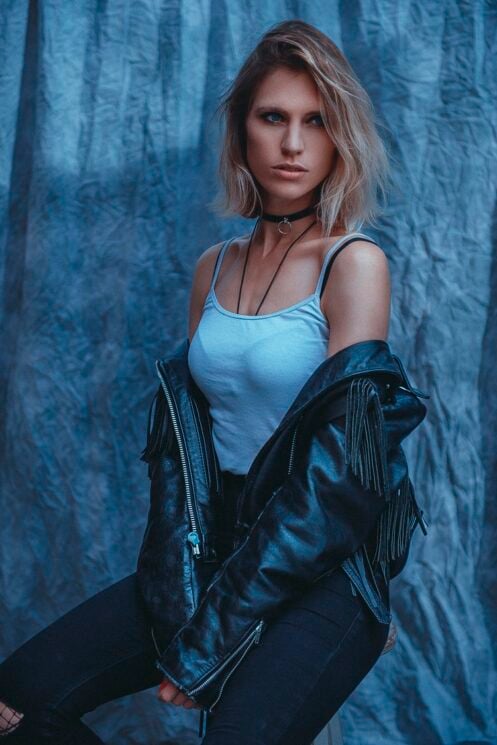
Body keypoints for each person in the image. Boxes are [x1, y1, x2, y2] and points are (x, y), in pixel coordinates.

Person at [0, 18, 429, 744]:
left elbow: (338, 484)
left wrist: (214, 632)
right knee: (13, 705)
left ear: (340, 139)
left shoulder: (353, 264)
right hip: (211, 549)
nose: (293, 144)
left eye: (316, 121)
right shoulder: (215, 266)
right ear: (241, 131)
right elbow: (185, 456)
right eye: (273, 118)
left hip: (321, 561)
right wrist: (176, 585)